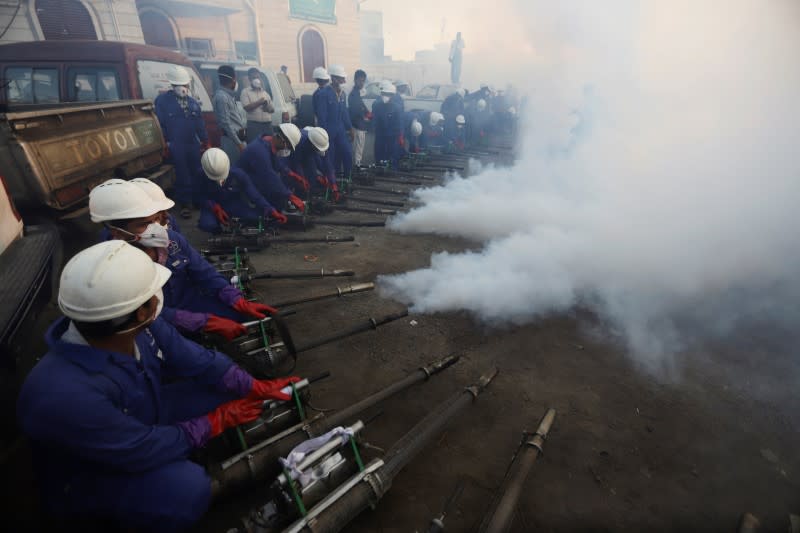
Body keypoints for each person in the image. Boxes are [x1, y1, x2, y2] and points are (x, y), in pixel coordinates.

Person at [17, 240, 300, 532]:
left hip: (142, 412)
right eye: (153, 293)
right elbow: (139, 448)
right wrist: (213, 423)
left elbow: (195, 358)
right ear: (139, 311)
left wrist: (253, 385)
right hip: (95, 471)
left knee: (229, 389)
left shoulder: (131, 325)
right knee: (187, 488)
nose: (158, 297)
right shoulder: (62, 395)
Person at [89, 179, 277, 341]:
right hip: (152, 320)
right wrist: (204, 322)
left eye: (158, 217)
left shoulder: (172, 239)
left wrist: (235, 299)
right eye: (144, 223)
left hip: (189, 302)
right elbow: (145, 315)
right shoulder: (112, 267)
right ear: (116, 231)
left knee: (240, 316)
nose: (157, 226)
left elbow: (203, 271)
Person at [154, 65, 209, 218]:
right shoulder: (162, 102)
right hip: (176, 143)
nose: (182, 88)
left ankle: (198, 200)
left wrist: (205, 140)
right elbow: (160, 124)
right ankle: (185, 204)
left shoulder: (193, 102)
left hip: (192, 143)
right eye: (179, 85)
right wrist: (164, 142)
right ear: (172, 85)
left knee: (197, 171)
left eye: (184, 85)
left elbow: (199, 123)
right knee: (182, 173)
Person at [198, 148, 283, 233]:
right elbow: (198, 196)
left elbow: (255, 195)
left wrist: (270, 209)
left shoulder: (238, 175)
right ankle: (217, 230)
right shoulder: (200, 175)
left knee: (256, 218)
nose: (220, 182)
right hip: (211, 206)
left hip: (234, 205)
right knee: (207, 224)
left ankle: (234, 224)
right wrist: (213, 206)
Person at [235, 122, 306, 220]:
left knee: (278, 197)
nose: (287, 149)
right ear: (281, 138)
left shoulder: (268, 143)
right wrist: (290, 196)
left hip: (255, 178)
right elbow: (270, 178)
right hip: (242, 186)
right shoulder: (259, 151)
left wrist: (291, 174)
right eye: (288, 146)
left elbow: (277, 164)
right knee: (267, 211)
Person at [284, 126, 337, 199]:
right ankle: (296, 197)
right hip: (292, 155)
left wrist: (332, 182)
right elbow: (297, 164)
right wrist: (302, 179)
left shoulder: (322, 143)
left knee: (312, 176)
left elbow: (327, 163)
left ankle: (309, 196)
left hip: (308, 153)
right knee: (294, 179)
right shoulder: (300, 141)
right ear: (312, 144)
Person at [213, 65, 248, 165]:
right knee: (235, 169)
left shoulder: (228, 96)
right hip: (232, 141)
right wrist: (239, 144)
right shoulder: (222, 97)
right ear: (233, 79)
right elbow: (226, 124)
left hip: (238, 139)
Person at [326, 65, 354, 180]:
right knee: (331, 158)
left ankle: (348, 178)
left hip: (341, 131)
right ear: (334, 79)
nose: (344, 81)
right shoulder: (324, 94)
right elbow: (322, 117)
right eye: (342, 78)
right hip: (329, 132)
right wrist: (324, 134)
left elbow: (345, 113)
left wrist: (350, 128)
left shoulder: (343, 94)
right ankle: (332, 180)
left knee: (347, 153)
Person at [371, 80, 403, 167]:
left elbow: (399, 123)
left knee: (392, 153)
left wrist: (400, 135)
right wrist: (374, 128)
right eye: (384, 93)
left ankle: (392, 169)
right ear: (381, 93)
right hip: (380, 134)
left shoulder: (397, 108)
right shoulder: (376, 105)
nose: (386, 96)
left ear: (392, 95)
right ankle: (379, 167)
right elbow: (374, 119)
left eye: (388, 94)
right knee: (379, 152)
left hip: (392, 135)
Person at [240, 67, 274, 143]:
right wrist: (259, 102)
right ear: (249, 79)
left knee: (269, 145)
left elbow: (272, 110)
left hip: (267, 125)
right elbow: (247, 108)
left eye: (258, 77)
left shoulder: (265, 93)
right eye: (253, 78)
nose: (256, 79)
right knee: (254, 146)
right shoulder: (245, 92)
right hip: (254, 125)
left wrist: (267, 107)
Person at [348, 69, 371, 167]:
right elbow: (354, 111)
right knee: (358, 147)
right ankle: (357, 166)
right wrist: (364, 116)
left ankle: (358, 163)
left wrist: (368, 112)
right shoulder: (353, 94)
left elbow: (361, 105)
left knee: (359, 147)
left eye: (363, 81)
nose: (362, 83)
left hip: (360, 124)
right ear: (355, 80)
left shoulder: (357, 93)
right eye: (360, 81)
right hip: (357, 125)